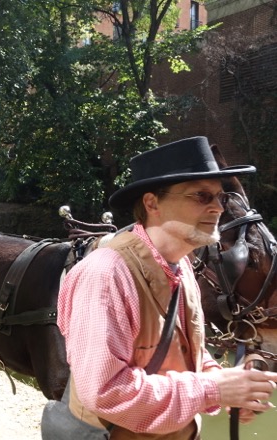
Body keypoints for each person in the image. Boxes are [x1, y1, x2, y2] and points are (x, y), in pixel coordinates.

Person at [49, 137, 277, 439]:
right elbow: (105, 392)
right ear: (152, 203)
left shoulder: (182, 266)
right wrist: (212, 389)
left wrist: (227, 386)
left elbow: (187, 352)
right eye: (201, 196)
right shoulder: (106, 275)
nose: (217, 208)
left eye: (219, 198)